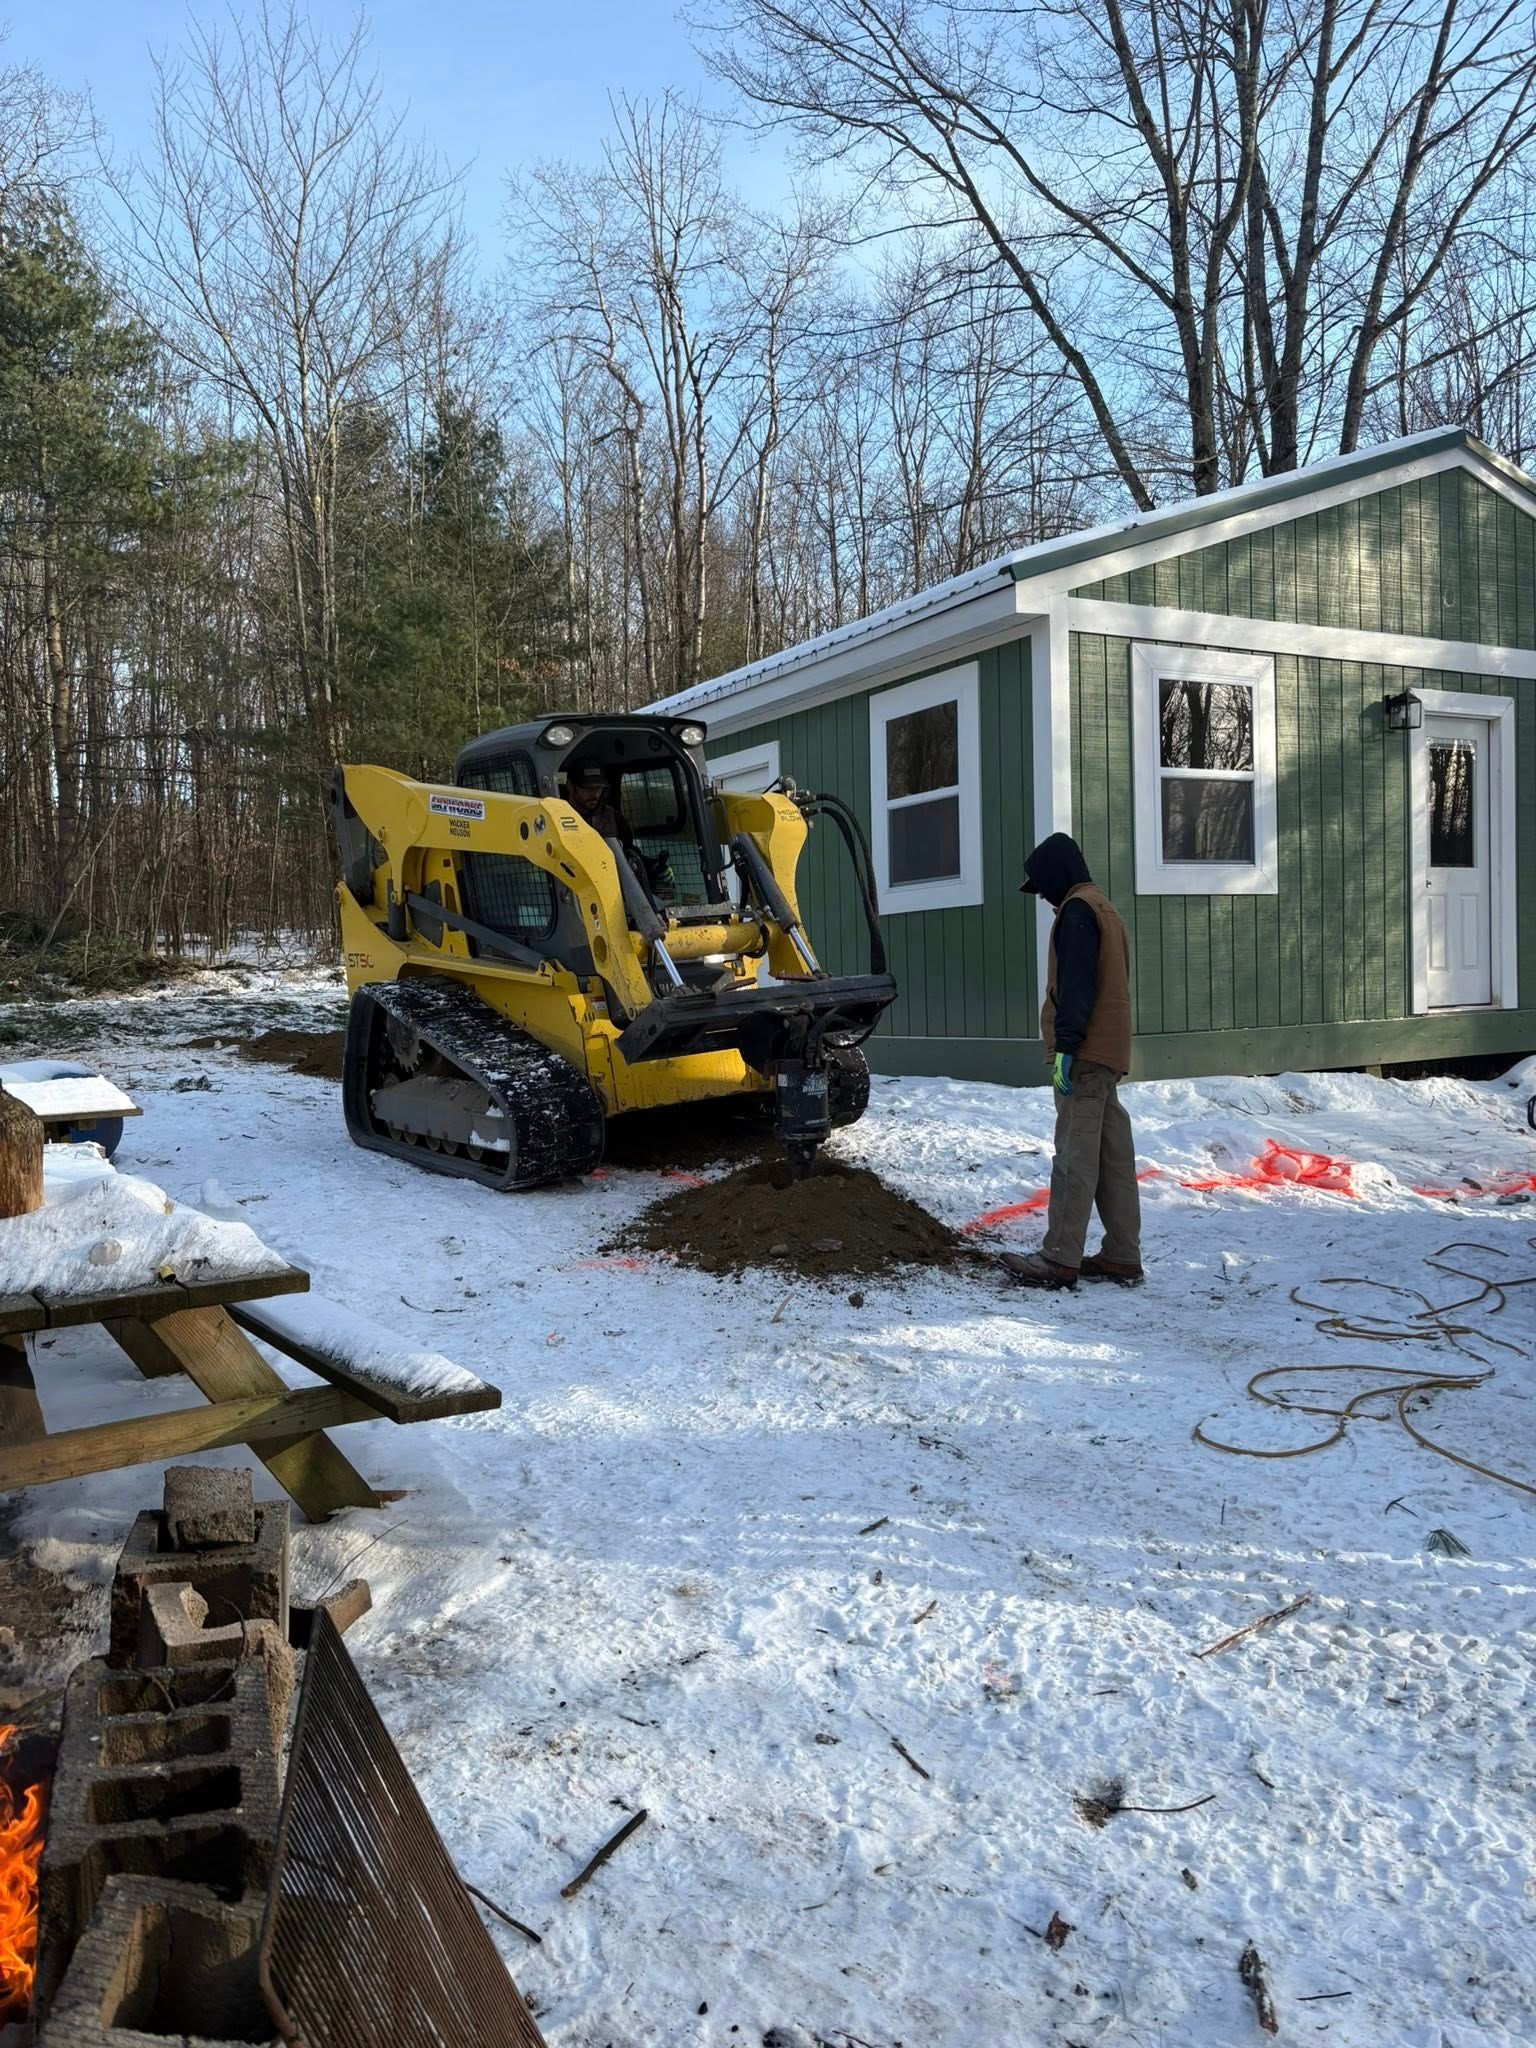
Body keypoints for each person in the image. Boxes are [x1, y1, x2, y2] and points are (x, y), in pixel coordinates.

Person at [1006, 832, 1143, 1290]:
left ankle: (1060, 1257)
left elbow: (1077, 986)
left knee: (1075, 1155)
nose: (1043, 897)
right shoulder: (1105, 909)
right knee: (1112, 1155)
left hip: (1084, 1055)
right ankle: (1123, 1254)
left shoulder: (1078, 911)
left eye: (1043, 887)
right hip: (1108, 1052)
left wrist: (1066, 1047)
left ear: (1057, 876)